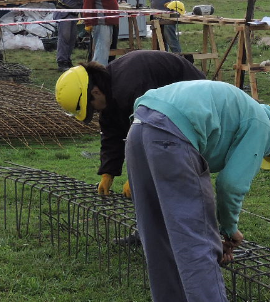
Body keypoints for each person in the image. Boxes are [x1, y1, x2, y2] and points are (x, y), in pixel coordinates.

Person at [125, 80, 270, 302]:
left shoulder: (242, 109)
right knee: (198, 248)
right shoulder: (265, 126)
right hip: (172, 135)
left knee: (156, 235)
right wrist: (228, 230)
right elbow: (231, 183)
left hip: (139, 127)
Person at [54, 50, 205, 199]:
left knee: (176, 157)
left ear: (95, 92)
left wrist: (137, 178)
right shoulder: (109, 87)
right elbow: (112, 133)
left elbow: (151, 135)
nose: (94, 113)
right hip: (168, 106)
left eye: (91, 108)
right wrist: (108, 172)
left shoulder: (131, 89)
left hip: (194, 100)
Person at [55, 0, 94, 71]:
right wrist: (92, 3)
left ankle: (67, 60)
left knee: (71, 39)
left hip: (72, 14)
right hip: (65, 13)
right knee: (64, 38)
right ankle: (61, 62)